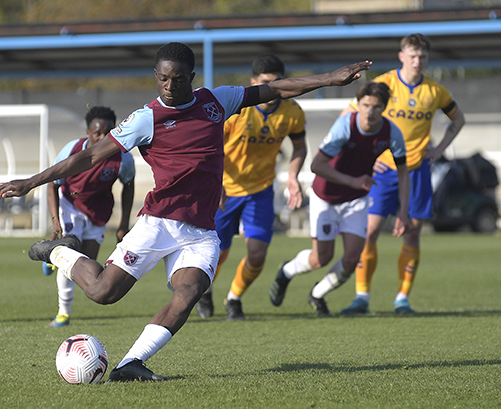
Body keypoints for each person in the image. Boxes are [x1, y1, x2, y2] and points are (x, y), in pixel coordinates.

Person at [0, 41, 371, 382]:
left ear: (190, 77)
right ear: (155, 77)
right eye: (162, 79)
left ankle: (130, 364)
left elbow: (274, 89)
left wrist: (329, 78)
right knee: (104, 292)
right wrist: (33, 181)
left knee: (189, 291)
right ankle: (58, 251)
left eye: (176, 79)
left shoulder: (215, 101)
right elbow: (90, 155)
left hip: (202, 231)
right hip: (158, 223)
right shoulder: (146, 118)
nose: (169, 87)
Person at [340, 33, 466, 315]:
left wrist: (440, 149)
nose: (417, 61)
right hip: (382, 170)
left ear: (427, 58)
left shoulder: (435, 92)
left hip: (418, 170)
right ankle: (362, 296)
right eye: (412, 55)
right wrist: (360, 154)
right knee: (369, 232)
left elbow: (458, 120)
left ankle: (402, 299)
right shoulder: (383, 84)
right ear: (401, 56)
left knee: (411, 233)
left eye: (422, 56)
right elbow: (349, 115)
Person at [268, 81, 410, 317]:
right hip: (326, 196)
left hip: (356, 199)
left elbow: (404, 173)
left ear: (384, 108)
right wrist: (353, 181)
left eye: (376, 107)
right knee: (320, 258)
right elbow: (316, 165)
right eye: (365, 105)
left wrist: (403, 211)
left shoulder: (391, 132)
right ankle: (287, 271)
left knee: (352, 257)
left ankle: (317, 294)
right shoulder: (346, 125)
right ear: (358, 104)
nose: (370, 112)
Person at [195, 54, 307, 320]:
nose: (272, 88)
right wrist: (216, 180)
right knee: (218, 253)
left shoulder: (292, 112)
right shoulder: (237, 111)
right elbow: (210, 147)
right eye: (267, 83)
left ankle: (234, 299)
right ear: (254, 82)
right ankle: (205, 291)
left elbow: (300, 146)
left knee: (257, 254)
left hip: (260, 191)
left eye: (278, 82)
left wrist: (292, 177)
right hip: (226, 190)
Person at [42, 105, 135, 327]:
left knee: (88, 265)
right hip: (70, 206)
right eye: (97, 133)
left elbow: (128, 186)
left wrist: (123, 224)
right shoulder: (71, 151)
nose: (103, 138)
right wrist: (56, 222)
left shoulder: (122, 158)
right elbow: (52, 185)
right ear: (88, 133)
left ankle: (52, 255)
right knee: (71, 258)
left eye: (108, 133)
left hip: (98, 212)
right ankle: (63, 313)